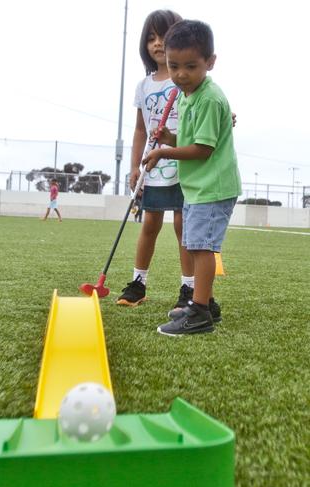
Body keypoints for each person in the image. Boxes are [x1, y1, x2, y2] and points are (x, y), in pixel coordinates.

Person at [142, 20, 241, 335]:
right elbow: (188, 139)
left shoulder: (209, 98)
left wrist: (162, 153)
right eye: (174, 66)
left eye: (190, 66)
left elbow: (202, 149)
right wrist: (169, 137)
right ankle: (206, 302)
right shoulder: (188, 94)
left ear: (210, 63)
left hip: (213, 187)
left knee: (201, 248)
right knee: (197, 244)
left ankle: (199, 313)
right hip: (199, 187)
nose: (180, 74)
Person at [116, 9, 195, 309]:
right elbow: (139, 130)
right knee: (150, 223)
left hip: (185, 165)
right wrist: (135, 166)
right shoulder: (143, 86)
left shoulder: (185, 80)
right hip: (154, 167)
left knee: (182, 225)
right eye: (151, 38)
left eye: (164, 36)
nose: (157, 43)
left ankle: (189, 288)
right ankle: (138, 283)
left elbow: (207, 108)